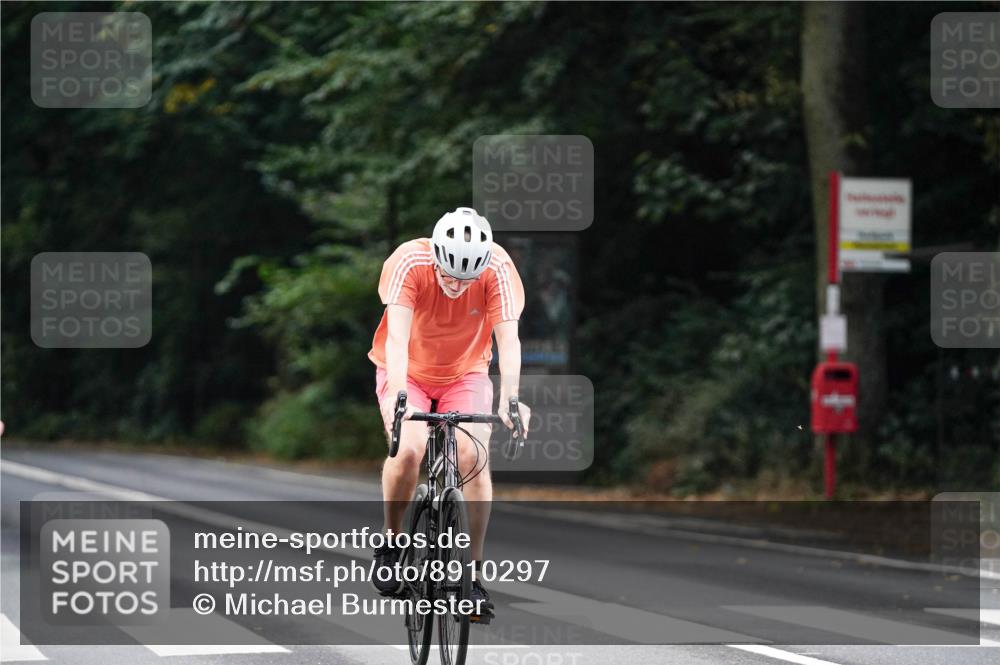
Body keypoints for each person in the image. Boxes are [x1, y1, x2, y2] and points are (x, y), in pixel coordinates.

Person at [368, 207, 531, 622]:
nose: (456, 285)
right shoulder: (410, 261)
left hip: (466, 372)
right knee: (409, 450)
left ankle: (473, 575)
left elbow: (508, 342)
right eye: (448, 275)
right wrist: (403, 393)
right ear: (436, 257)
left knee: (473, 458)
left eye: (466, 278)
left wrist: (511, 398)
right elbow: (397, 337)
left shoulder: (498, 269)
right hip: (408, 371)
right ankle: (391, 540)